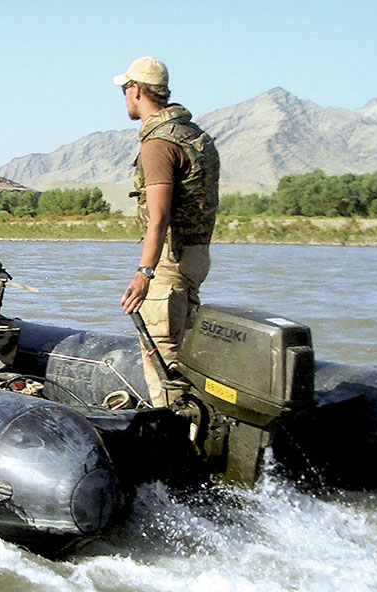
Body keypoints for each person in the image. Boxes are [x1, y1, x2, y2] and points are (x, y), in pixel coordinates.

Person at [114, 56, 220, 407]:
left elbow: (158, 217)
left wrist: (145, 273)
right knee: (186, 353)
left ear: (136, 91)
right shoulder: (195, 136)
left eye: (126, 90)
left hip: (168, 264)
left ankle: (175, 440)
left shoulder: (158, 144)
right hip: (196, 258)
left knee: (161, 358)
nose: (125, 98)